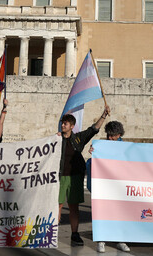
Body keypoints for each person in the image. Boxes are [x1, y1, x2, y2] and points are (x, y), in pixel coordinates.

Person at [58, 105, 110, 247]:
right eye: (62, 123)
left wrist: (103, 115)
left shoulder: (78, 139)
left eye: (66, 123)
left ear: (72, 126)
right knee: (58, 205)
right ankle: (52, 233)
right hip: (60, 177)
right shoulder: (56, 140)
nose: (63, 125)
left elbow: (93, 130)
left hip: (75, 177)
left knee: (73, 206)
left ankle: (75, 234)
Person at [86, 121, 131, 253]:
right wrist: (93, 155)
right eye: (108, 135)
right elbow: (92, 165)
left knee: (120, 214)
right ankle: (101, 240)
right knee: (103, 213)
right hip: (105, 187)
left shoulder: (126, 148)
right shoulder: (101, 147)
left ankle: (120, 240)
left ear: (119, 135)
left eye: (113, 135)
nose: (110, 138)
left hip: (119, 187)